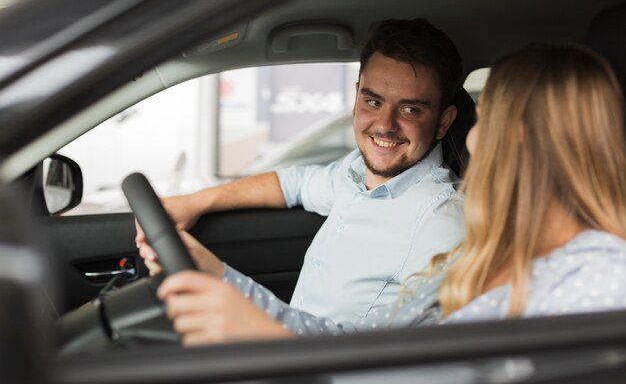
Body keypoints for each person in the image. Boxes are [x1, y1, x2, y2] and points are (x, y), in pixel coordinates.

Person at [156, 43, 626, 346]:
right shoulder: (495, 253)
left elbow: (389, 368)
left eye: (487, 122)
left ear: (522, 138)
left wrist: (261, 333)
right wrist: (218, 271)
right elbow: (297, 183)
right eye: (373, 101)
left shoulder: (598, 277)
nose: (475, 139)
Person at [137, 18, 466, 323]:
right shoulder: (353, 175)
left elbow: (377, 357)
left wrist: (220, 279)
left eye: (410, 109)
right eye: (373, 102)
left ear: (443, 122)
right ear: (356, 99)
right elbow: (292, 183)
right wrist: (195, 203)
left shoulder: (440, 222)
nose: (385, 125)